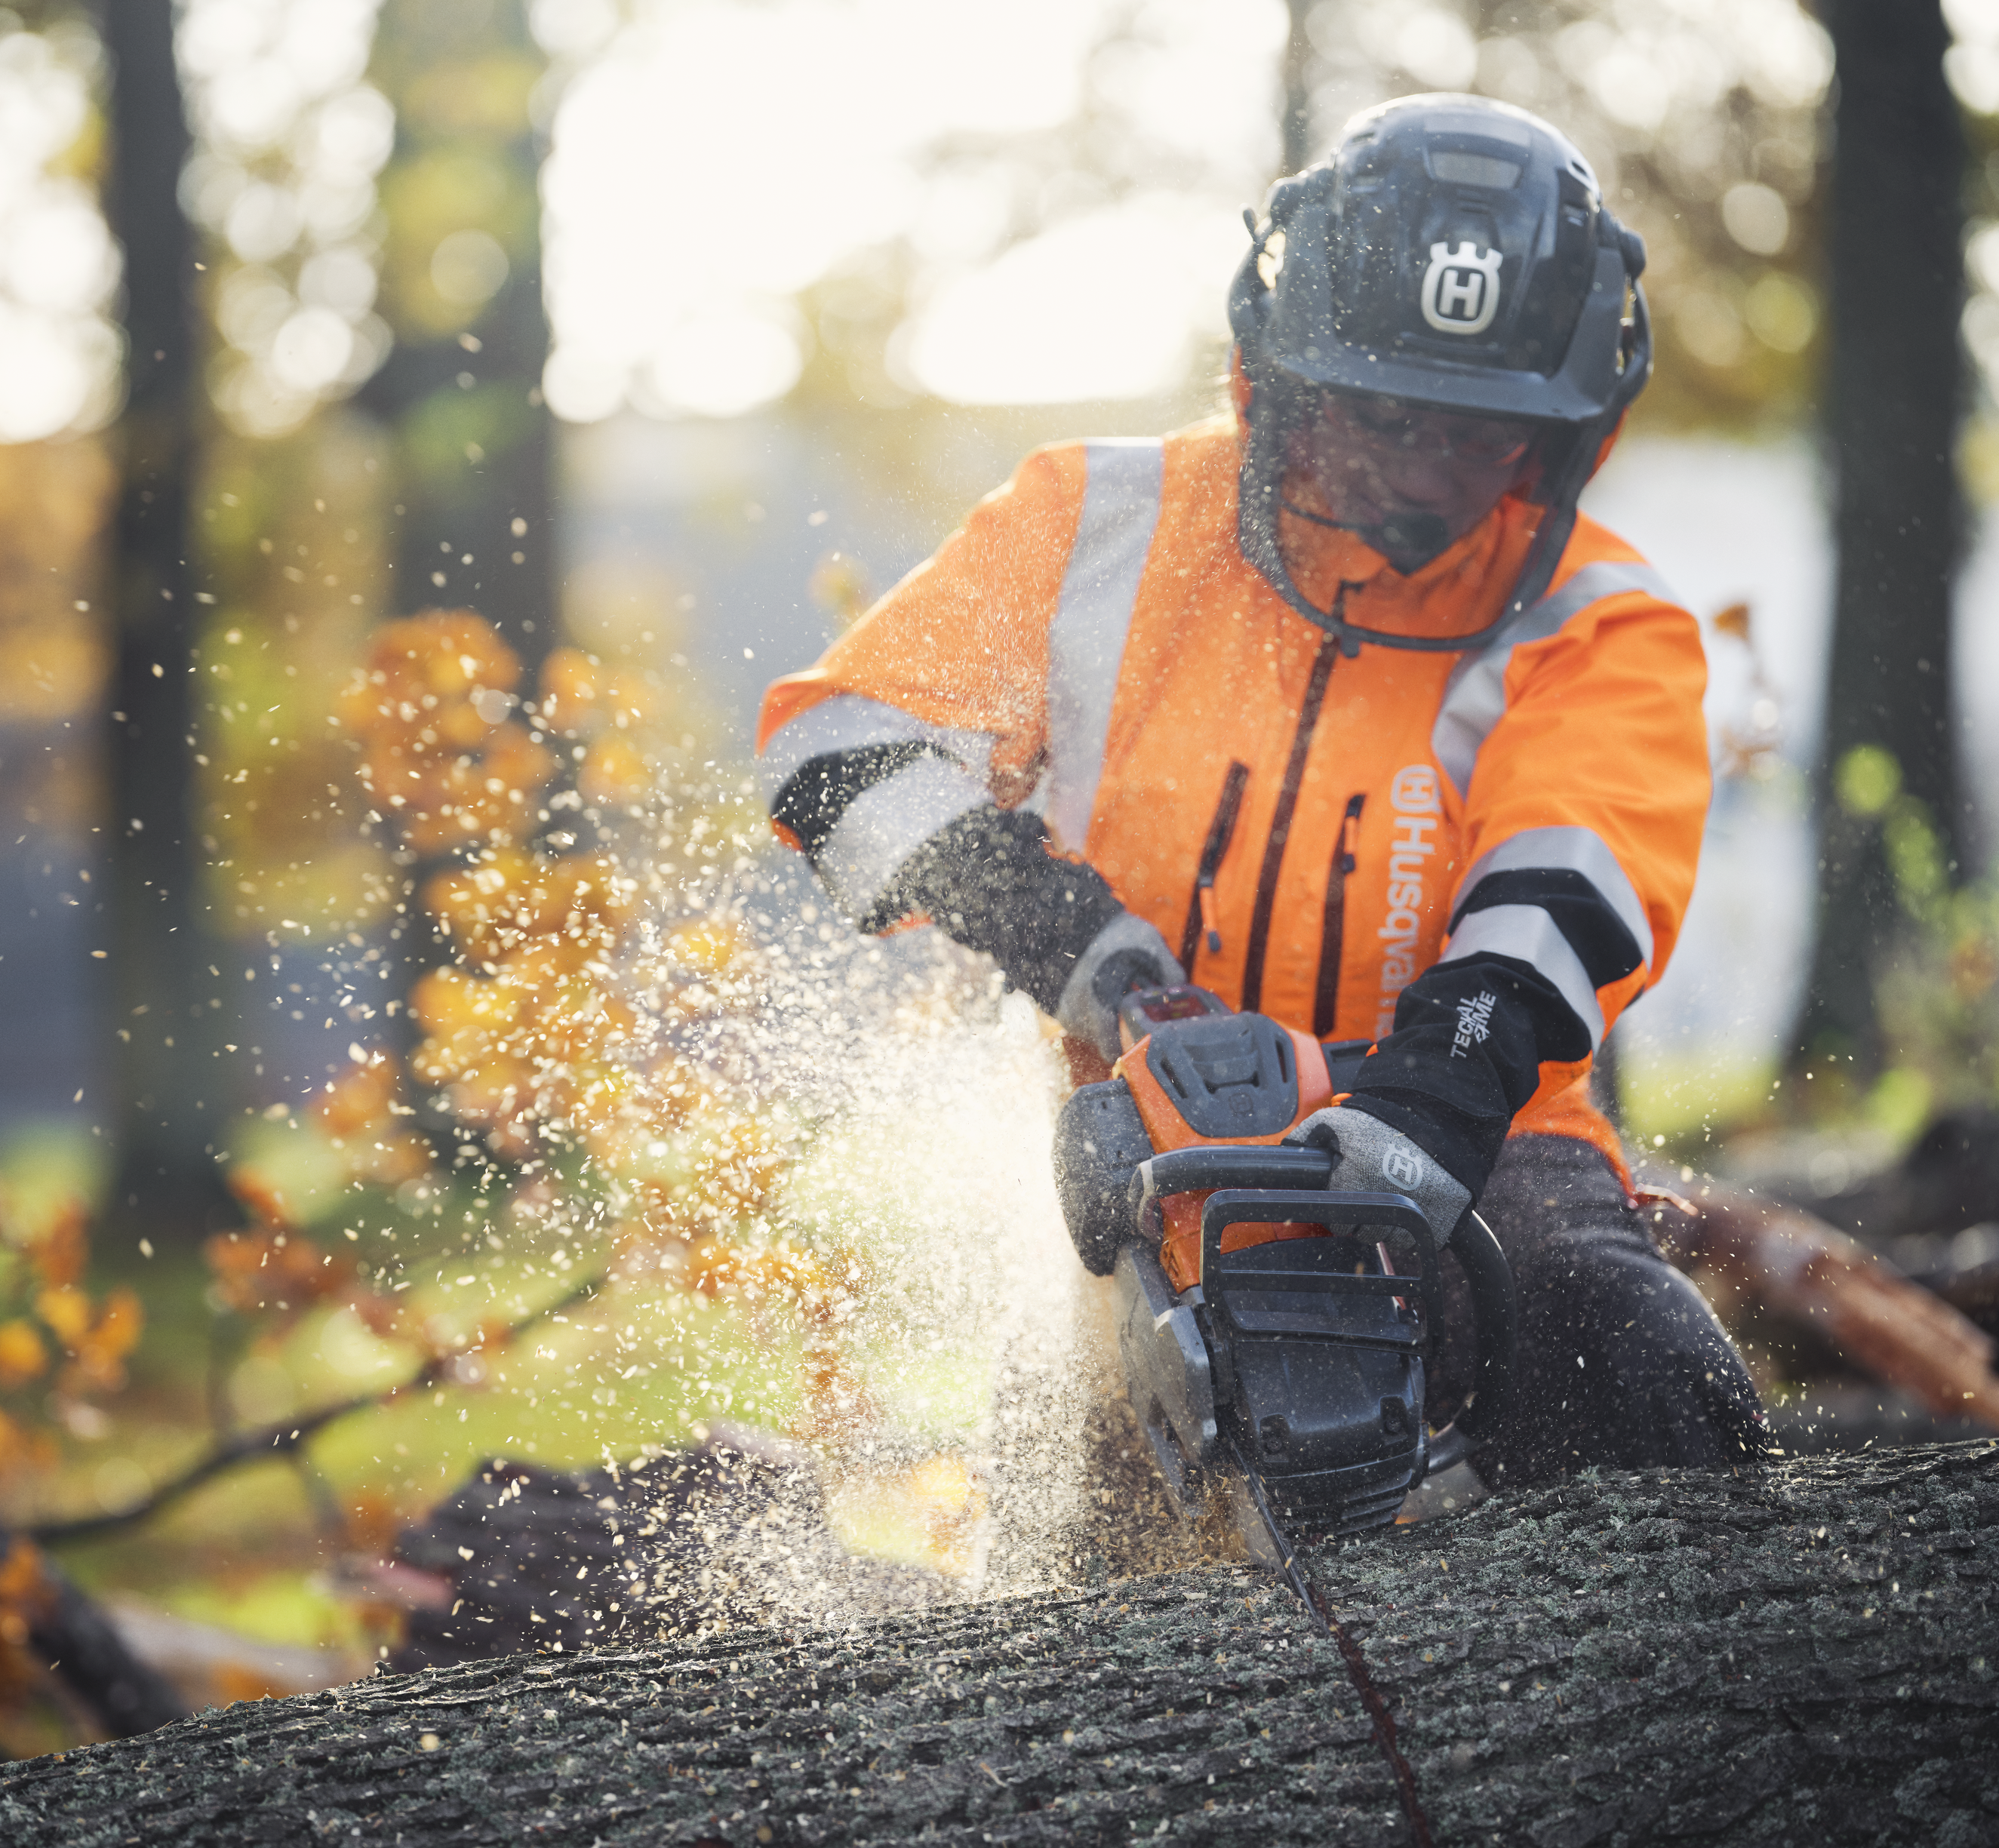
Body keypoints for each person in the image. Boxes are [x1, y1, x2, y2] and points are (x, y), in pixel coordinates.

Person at [755, 94, 1767, 1490]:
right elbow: (839, 749)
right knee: (1095, 1529)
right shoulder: (1101, 523)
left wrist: (1435, 1089)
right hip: (1151, 1124)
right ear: (1281, 374)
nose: (1423, 476)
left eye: (1477, 437)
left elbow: (1569, 882)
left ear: (1565, 428)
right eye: (1383, 418)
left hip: (1482, 1132)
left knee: (1622, 1342)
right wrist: (1094, 963)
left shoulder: (1599, 621)